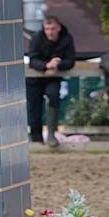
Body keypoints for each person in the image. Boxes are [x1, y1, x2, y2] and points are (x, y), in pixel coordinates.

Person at [27, 15, 75, 147]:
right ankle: (36, 138)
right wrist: (46, 66)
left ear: (58, 28)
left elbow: (70, 60)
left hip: (54, 77)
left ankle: (52, 134)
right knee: (34, 106)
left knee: (53, 97)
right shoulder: (36, 38)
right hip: (35, 78)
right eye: (47, 29)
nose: (50, 32)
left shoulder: (66, 39)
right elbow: (33, 59)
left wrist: (57, 64)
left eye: (52, 28)